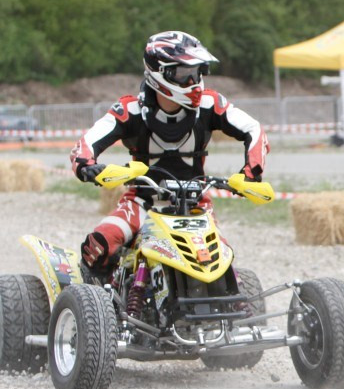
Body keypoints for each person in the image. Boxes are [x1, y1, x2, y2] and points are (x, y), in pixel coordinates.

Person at [71, 31, 269, 282]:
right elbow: (86, 142)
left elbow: (254, 129)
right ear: (159, 72)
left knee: (223, 263)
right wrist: (87, 165)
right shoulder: (129, 110)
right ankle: (98, 303)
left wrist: (251, 173)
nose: (193, 81)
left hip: (196, 206)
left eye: (197, 72)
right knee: (98, 244)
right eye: (184, 74)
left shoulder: (210, 104)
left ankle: (237, 309)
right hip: (143, 203)